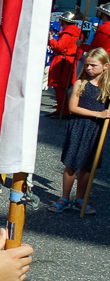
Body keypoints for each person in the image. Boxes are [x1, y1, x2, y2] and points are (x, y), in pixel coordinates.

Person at [50, 47, 109, 215]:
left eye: (93, 65)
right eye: (87, 65)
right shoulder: (81, 83)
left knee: (88, 165)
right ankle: (65, 197)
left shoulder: (108, 87)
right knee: (71, 163)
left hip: (96, 130)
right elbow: (73, 107)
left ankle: (81, 199)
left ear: (105, 66)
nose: (89, 68)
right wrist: (99, 114)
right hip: (79, 126)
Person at [47, 11, 82, 118]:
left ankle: (62, 110)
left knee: (60, 86)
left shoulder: (67, 33)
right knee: (64, 86)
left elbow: (59, 47)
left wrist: (51, 40)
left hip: (63, 61)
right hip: (70, 61)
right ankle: (61, 108)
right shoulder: (78, 32)